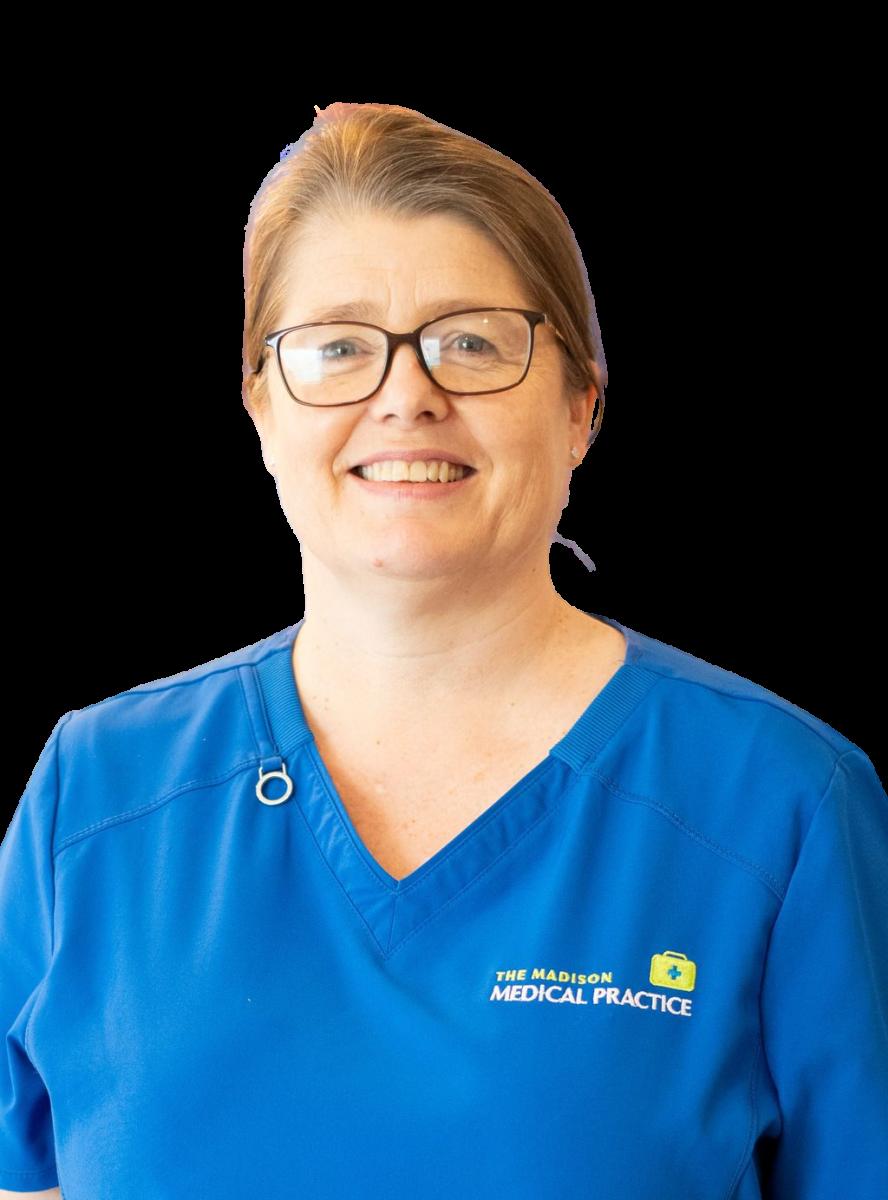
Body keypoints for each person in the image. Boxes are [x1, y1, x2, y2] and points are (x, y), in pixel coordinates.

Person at [1, 102, 886, 1200]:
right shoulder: (93, 798)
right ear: (261, 408)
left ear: (580, 407)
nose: (408, 396)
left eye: (471, 341)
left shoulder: (780, 807)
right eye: (336, 349)